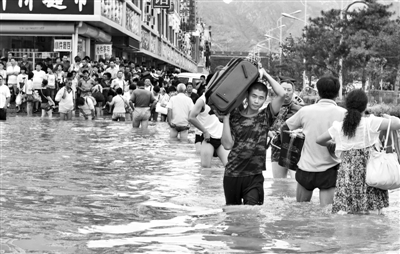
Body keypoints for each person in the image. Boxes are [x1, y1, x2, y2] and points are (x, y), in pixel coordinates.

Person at [316, 89, 400, 214]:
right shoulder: (371, 122)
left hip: (347, 174)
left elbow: (319, 140)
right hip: (370, 172)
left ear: (347, 106)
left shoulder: (339, 126)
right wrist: (387, 116)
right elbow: (397, 123)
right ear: (365, 105)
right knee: (371, 212)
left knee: (348, 212)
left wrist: (335, 145)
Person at [221, 69, 285, 206]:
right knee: (233, 218)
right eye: (254, 96)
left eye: (261, 98)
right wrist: (226, 118)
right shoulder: (235, 116)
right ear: (247, 96)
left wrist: (265, 74)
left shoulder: (266, 116)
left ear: (265, 99)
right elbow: (227, 145)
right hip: (233, 174)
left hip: (254, 176)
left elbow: (281, 94)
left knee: (253, 216)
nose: (257, 101)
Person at [282, 76, 347, 206]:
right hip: (330, 170)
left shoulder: (305, 111)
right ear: (337, 93)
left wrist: (291, 152)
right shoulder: (344, 113)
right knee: (327, 214)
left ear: (318, 91)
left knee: (300, 211)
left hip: (306, 168)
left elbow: (284, 128)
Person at [269, 80, 302, 178]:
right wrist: (268, 132)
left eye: (289, 90)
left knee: (295, 181)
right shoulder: (271, 107)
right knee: (278, 182)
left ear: (293, 92)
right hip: (276, 146)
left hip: (295, 147)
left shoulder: (300, 109)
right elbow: (262, 125)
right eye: (283, 89)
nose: (286, 92)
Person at [189, 93, 230, 167]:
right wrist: (204, 131)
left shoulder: (226, 97)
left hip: (222, 138)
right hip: (208, 139)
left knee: (229, 167)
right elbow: (191, 117)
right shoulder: (202, 100)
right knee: (205, 169)